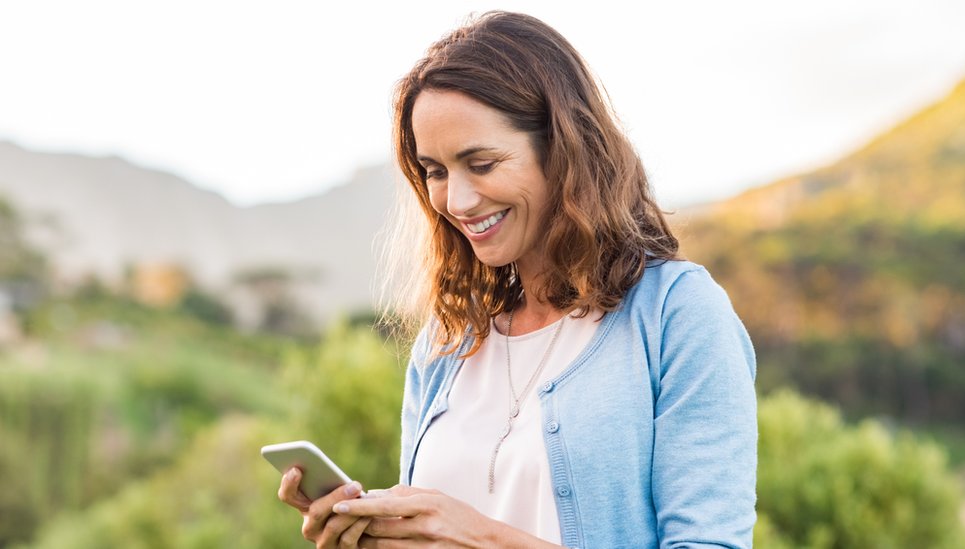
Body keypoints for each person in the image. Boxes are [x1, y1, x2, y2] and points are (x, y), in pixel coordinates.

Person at [278, 10, 757, 548]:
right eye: (435, 171)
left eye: (480, 164)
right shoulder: (446, 342)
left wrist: (480, 538)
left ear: (563, 149)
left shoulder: (677, 315)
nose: (455, 201)